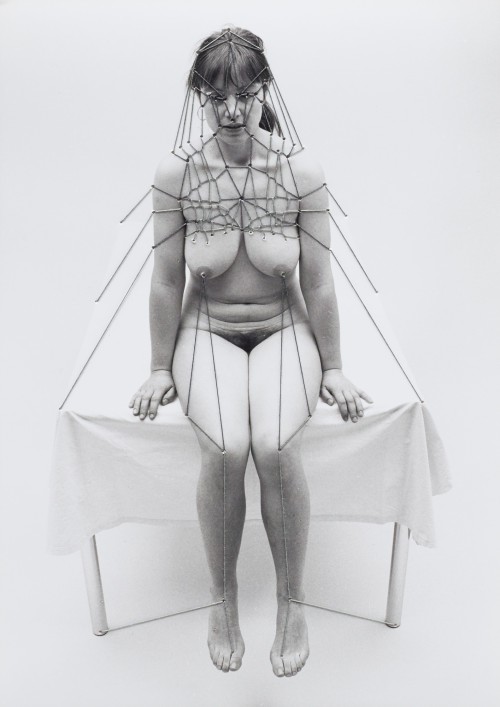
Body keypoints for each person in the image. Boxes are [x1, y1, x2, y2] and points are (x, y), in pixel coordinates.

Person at [128, 26, 373, 677]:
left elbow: (319, 282)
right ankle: (222, 597)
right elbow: (165, 280)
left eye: (245, 94)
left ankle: (293, 601)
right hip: (205, 330)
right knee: (226, 446)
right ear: (199, 97)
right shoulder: (177, 174)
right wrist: (158, 365)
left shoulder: (300, 173)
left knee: (275, 445)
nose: (233, 110)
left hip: (283, 327)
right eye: (218, 97)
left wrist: (335, 365)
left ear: (266, 90)